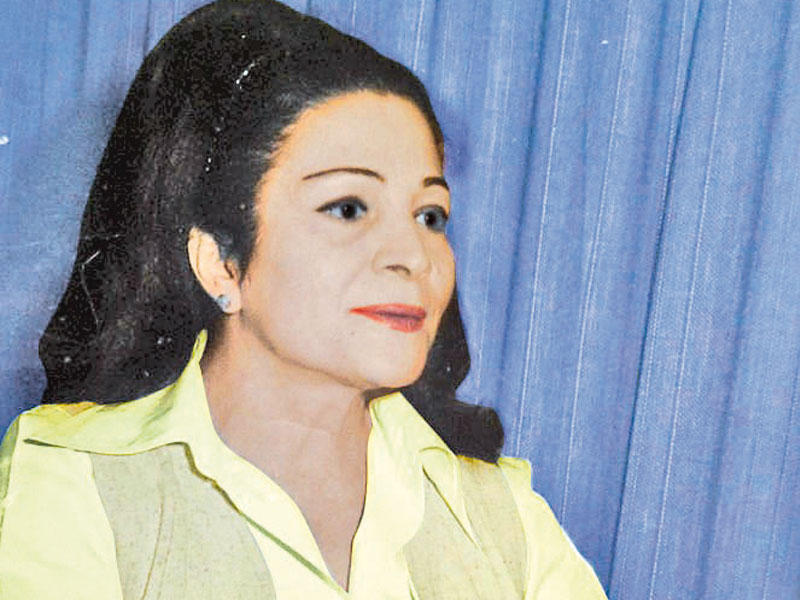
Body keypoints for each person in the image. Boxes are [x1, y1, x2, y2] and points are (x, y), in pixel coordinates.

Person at [0, 1, 607, 598]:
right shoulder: (71, 478)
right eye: (348, 208)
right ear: (221, 263)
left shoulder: (502, 514)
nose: (414, 256)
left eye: (430, 215)